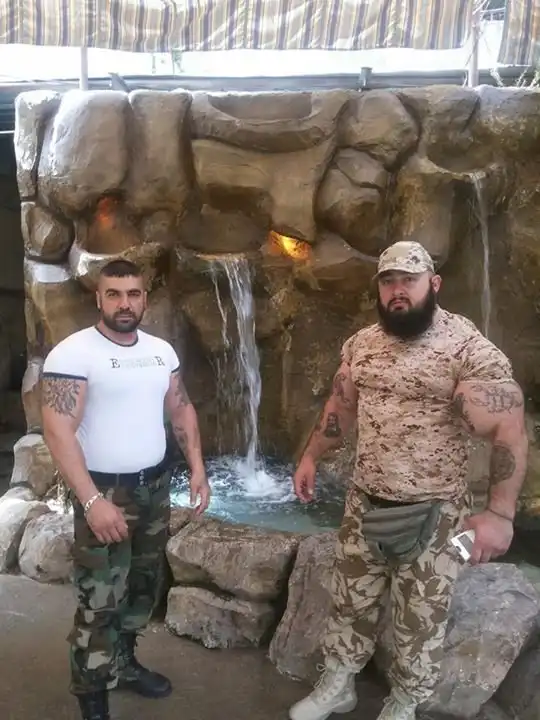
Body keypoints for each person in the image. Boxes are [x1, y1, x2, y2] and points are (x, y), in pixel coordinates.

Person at [289, 241, 528, 720]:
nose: (398, 290)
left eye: (409, 280)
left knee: (421, 617)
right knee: (349, 600)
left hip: (437, 514)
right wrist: (311, 456)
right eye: (389, 281)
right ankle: (338, 683)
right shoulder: (361, 344)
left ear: (433, 284)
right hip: (365, 501)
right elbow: (341, 407)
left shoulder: (467, 349)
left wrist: (499, 514)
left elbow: (509, 427)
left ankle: (406, 701)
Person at [41, 259, 210, 720]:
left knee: (141, 587)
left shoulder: (160, 352)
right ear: (99, 298)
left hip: (154, 489)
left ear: (144, 299)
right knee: (99, 601)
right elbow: (57, 430)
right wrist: (91, 501)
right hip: (104, 493)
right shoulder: (73, 354)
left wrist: (197, 467)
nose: (124, 303)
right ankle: (93, 694)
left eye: (133, 294)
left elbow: (181, 408)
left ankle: (124, 662)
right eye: (113, 294)